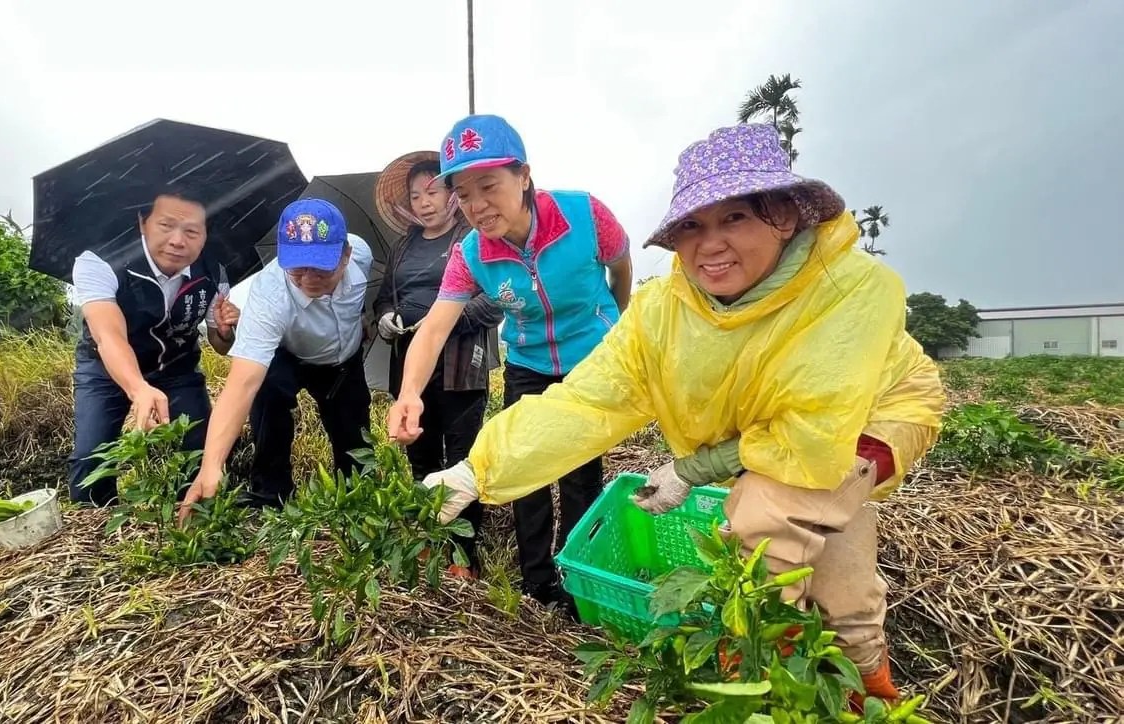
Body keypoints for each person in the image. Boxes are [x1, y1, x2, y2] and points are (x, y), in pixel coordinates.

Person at [417, 123, 946, 708]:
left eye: (735, 219)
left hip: (871, 419)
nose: (709, 245)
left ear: (787, 215)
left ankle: (790, 674)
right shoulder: (665, 311)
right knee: (830, 543)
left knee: (768, 515)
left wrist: (692, 469)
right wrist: (477, 471)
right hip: (775, 437)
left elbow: (808, 434)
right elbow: (587, 401)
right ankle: (845, 674)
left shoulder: (849, 290)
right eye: (692, 226)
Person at [386, 114, 634, 611]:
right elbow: (434, 326)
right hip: (529, 364)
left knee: (581, 470)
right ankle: (539, 583)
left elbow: (621, 267)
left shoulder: (586, 215)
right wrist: (410, 392)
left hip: (590, 359)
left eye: (489, 185)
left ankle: (581, 580)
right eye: (463, 192)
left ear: (523, 175)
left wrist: (614, 319)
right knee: (525, 467)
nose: (476, 205)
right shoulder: (472, 253)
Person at [179, 198, 373, 518]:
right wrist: (210, 468)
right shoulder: (270, 293)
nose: (308, 277)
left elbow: (375, 290)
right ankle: (271, 492)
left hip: (344, 361)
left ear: (346, 255)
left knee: (352, 432)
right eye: (298, 266)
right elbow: (241, 384)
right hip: (291, 354)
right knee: (267, 393)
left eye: (321, 265)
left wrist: (367, 316)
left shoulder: (362, 254)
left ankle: (357, 498)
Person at [372, 150, 503, 577]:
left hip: (462, 363)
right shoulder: (403, 245)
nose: (424, 202)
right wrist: (387, 318)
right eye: (415, 196)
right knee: (421, 455)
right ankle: (428, 543)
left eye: (433, 191)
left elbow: (497, 298)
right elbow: (384, 297)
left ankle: (464, 553)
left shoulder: (476, 241)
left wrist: (445, 322)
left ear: (452, 195)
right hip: (410, 363)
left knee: (464, 457)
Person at [70, 188, 240, 506]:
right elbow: (108, 336)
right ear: (142, 223)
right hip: (106, 367)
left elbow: (220, 345)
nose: (178, 241)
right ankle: (94, 533)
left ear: (205, 235)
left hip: (177, 367)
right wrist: (138, 388)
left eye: (192, 231)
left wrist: (227, 331)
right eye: (166, 226)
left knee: (200, 449)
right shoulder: (99, 260)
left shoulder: (214, 272)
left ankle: (192, 523)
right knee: (91, 458)